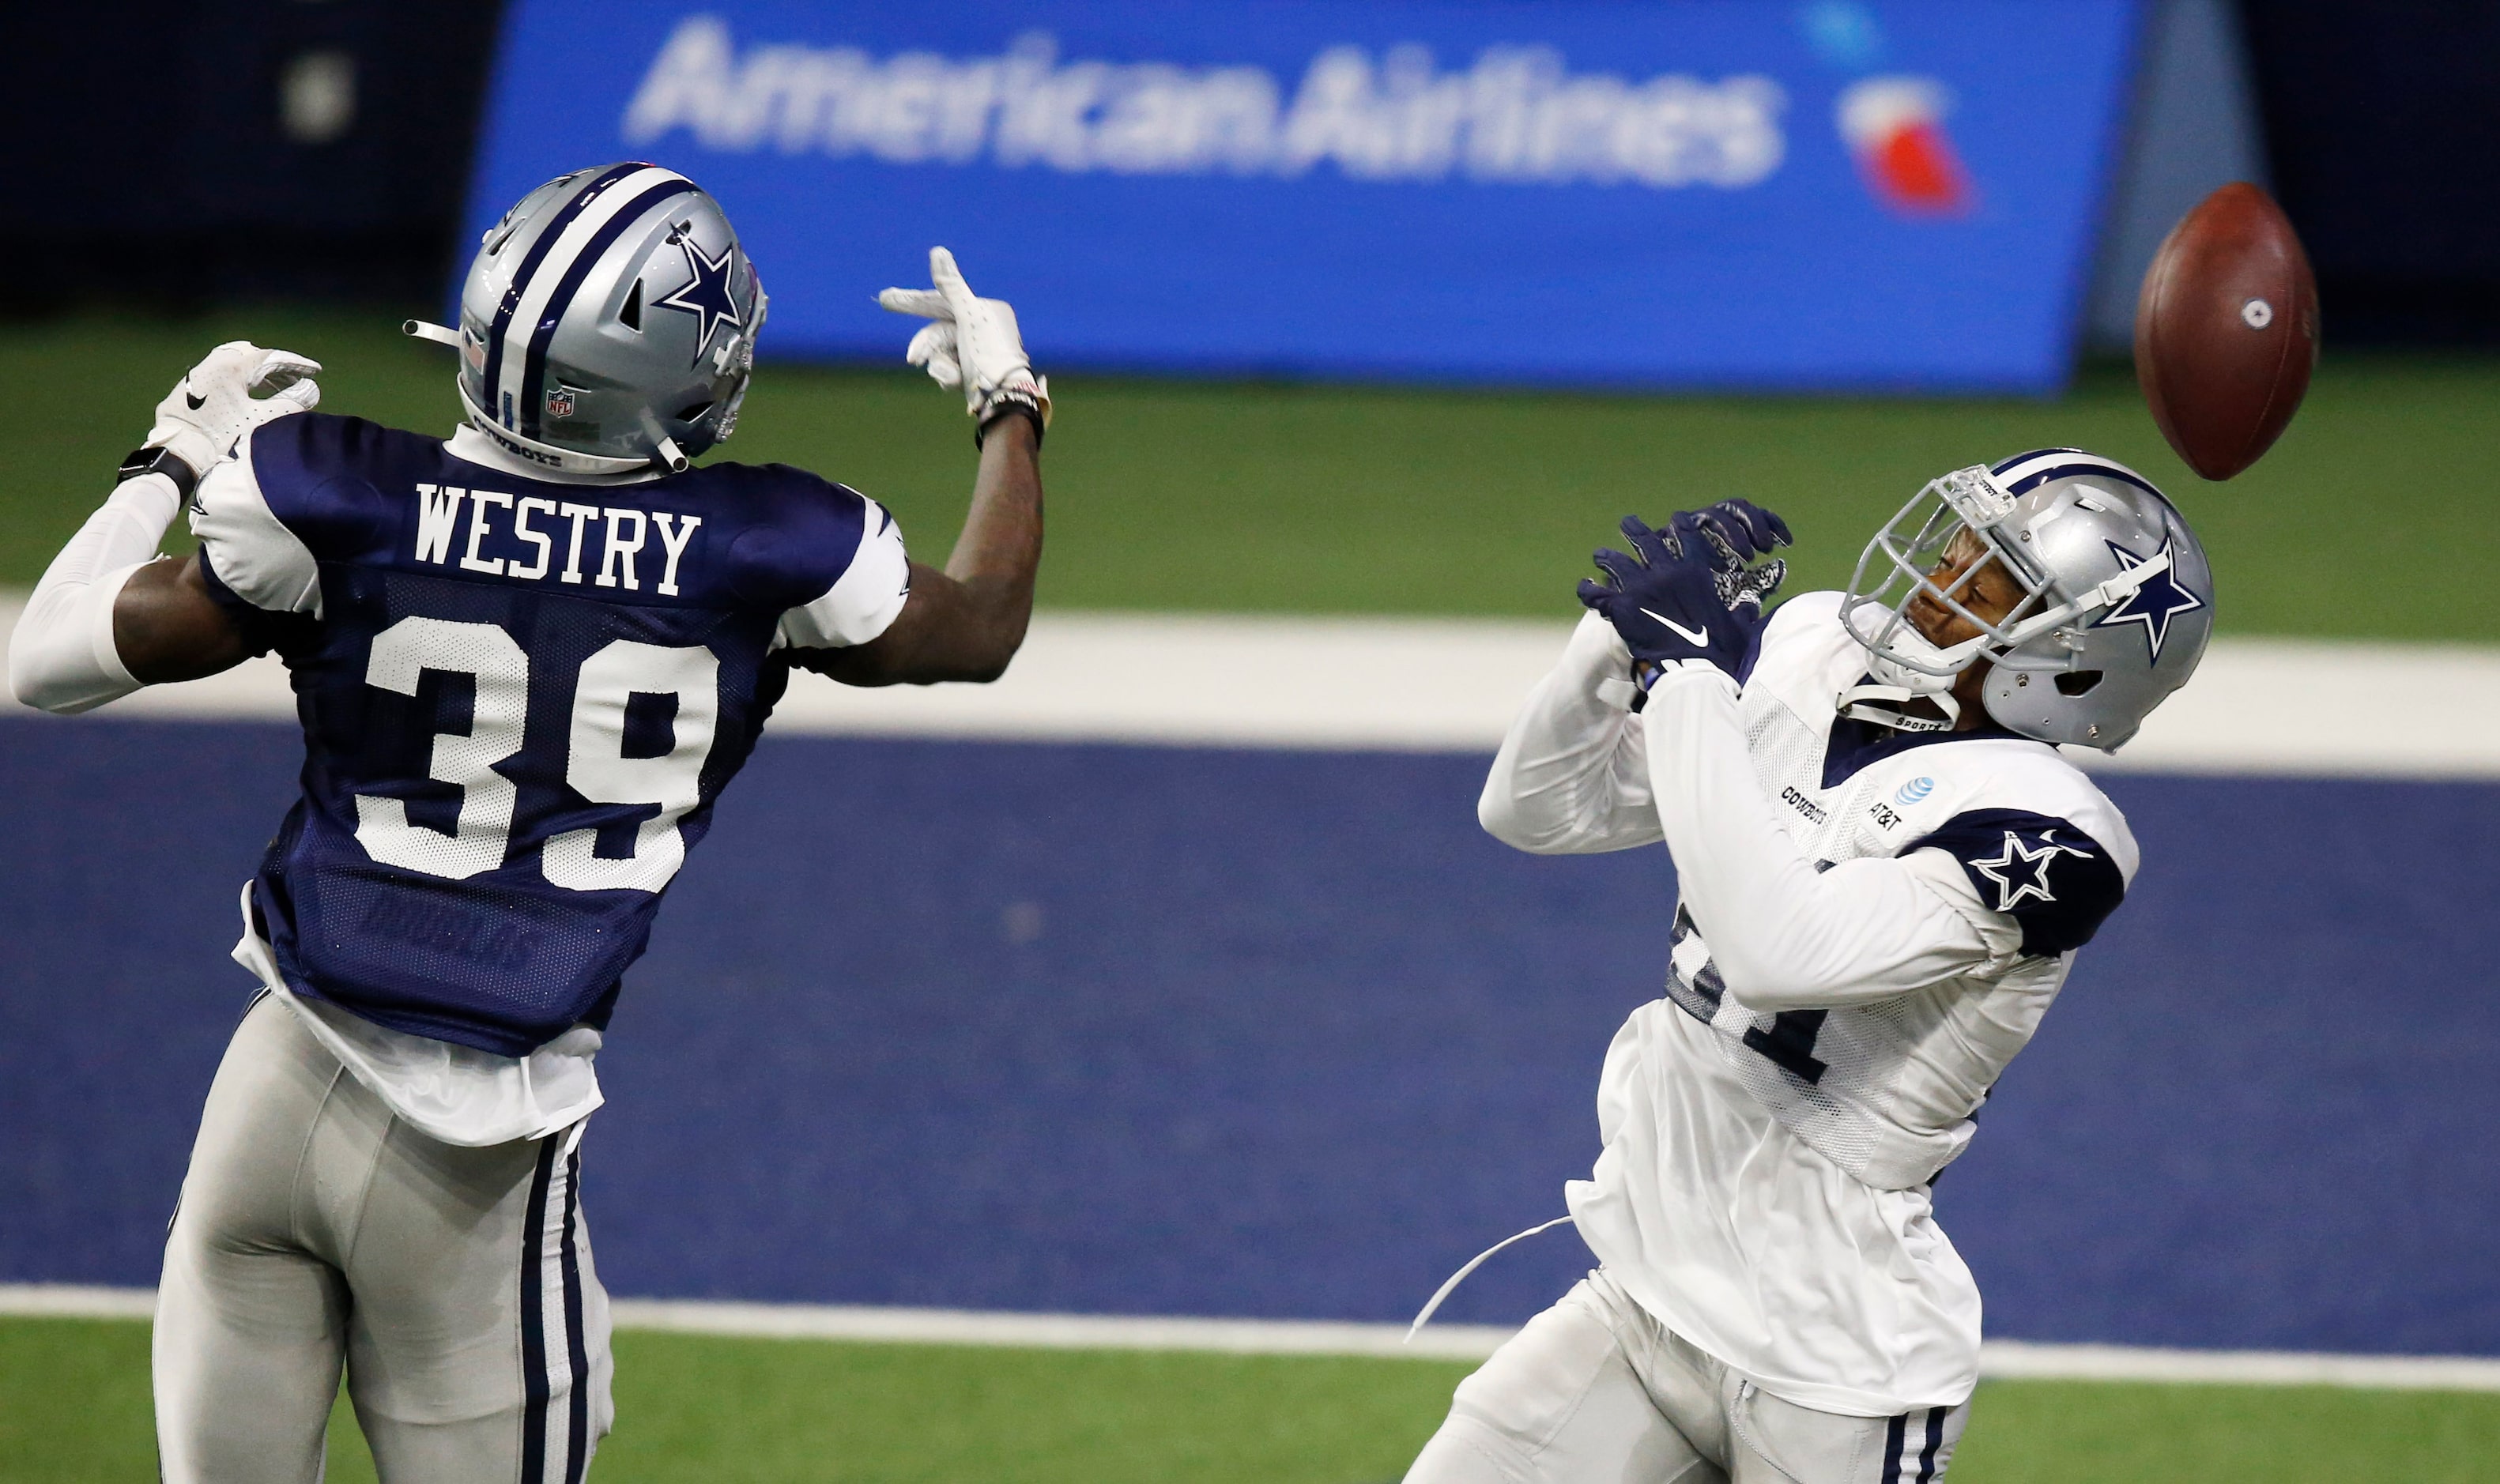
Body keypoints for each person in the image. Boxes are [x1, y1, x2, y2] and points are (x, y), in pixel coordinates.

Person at [8, 162, 1047, 1481]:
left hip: (270, 1100)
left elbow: (43, 660)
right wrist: (1009, 405)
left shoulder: (331, 493)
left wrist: (168, 458)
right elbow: (981, 626)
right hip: (478, 1160)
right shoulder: (770, 546)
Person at [1405, 450, 2213, 1482]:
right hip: (1652, 1287)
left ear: (2076, 663)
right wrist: (1615, 644)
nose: (1944, 571)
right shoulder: (1817, 652)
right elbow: (1534, 808)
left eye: (1997, 573)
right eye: (1962, 536)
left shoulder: (2053, 834)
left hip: (1837, 1357)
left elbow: (1775, 950)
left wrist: (1690, 675)